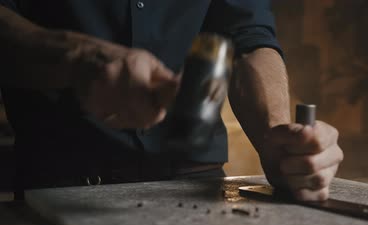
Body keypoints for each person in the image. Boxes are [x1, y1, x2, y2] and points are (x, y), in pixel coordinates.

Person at [0, 1, 343, 201]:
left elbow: (249, 38)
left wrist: (279, 140)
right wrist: (76, 57)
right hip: (60, 185)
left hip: (195, 186)